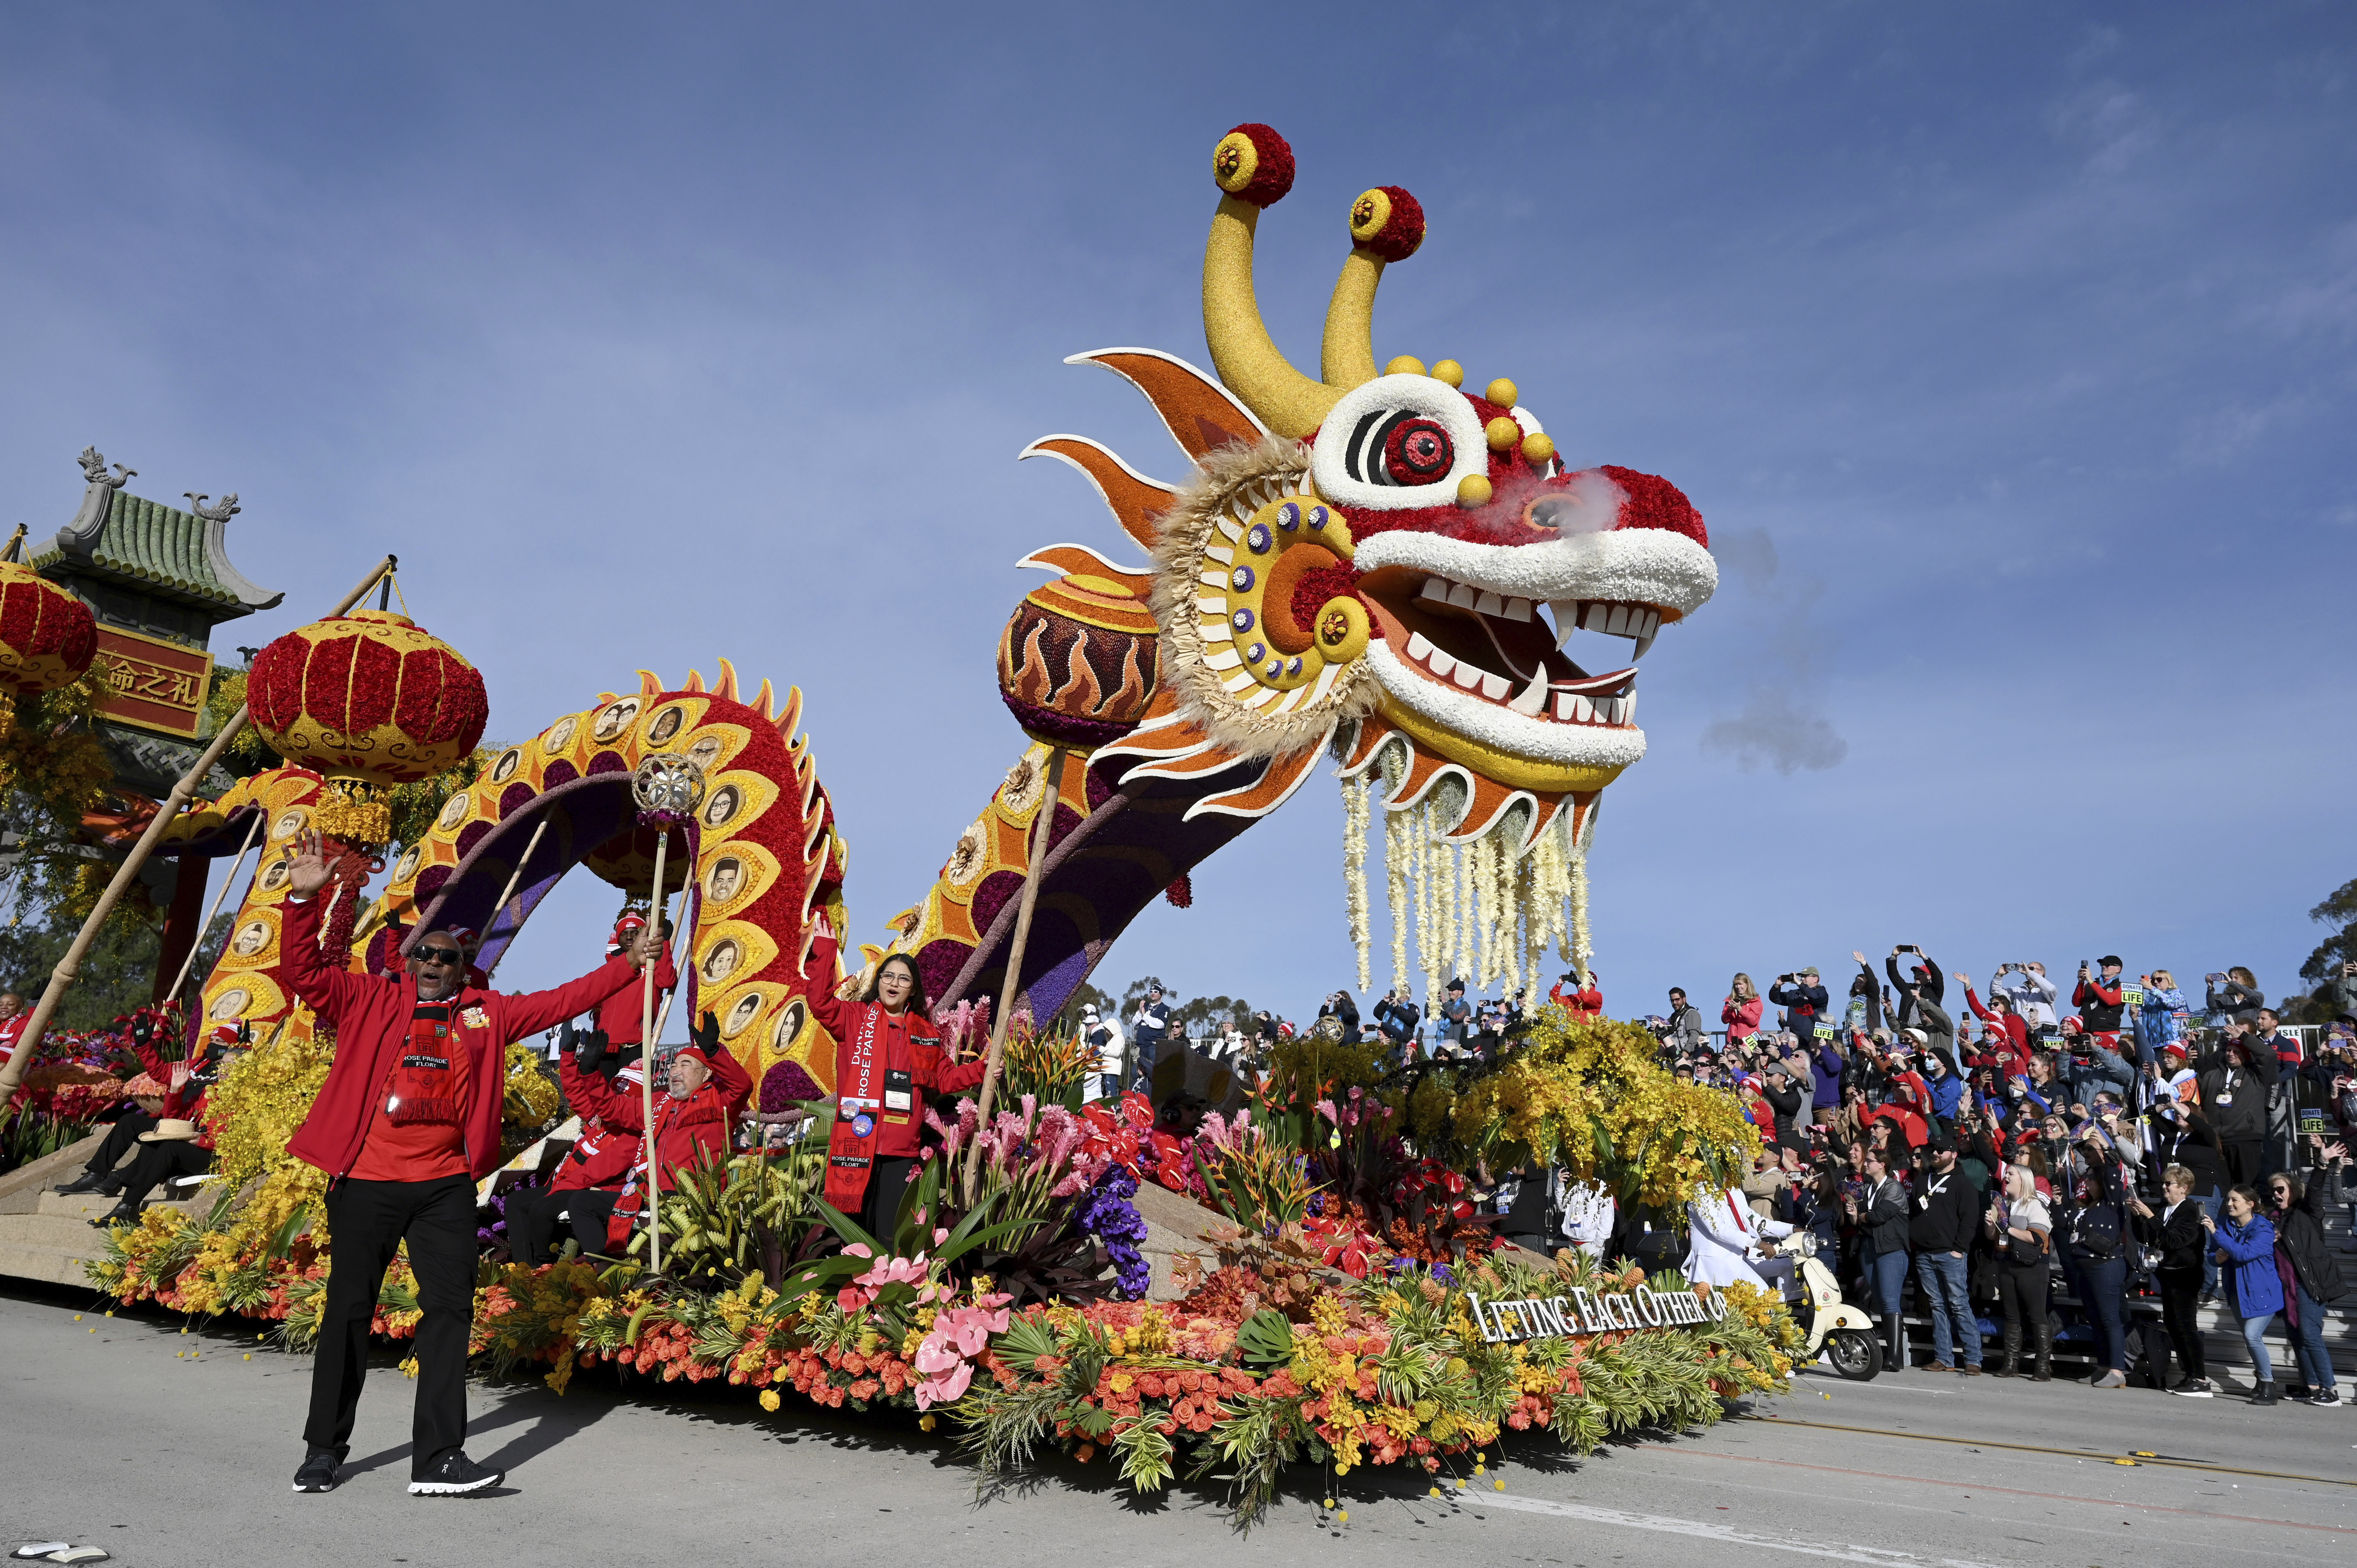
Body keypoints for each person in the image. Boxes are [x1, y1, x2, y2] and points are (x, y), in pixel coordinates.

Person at [278, 830, 656, 1497]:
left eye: (447, 957)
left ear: (464, 969)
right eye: (422, 953)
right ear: (407, 960)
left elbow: (566, 999)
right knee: (347, 1313)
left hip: (442, 1189)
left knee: (450, 1313)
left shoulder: (487, 1015)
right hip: (365, 1183)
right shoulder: (371, 999)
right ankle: (322, 1450)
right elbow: (305, 973)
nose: (433, 963)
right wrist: (302, 898)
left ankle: (439, 1458)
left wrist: (630, 963)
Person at [804, 918, 988, 1236]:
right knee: (849, 1235)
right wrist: (824, 950)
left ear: (912, 989)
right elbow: (819, 1003)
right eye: (887, 975)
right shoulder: (853, 1018)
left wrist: (985, 1069)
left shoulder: (925, 1033)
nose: (893, 982)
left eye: (903, 979)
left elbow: (945, 1078)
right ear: (878, 983)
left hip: (900, 1149)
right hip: (856, 1141)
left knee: (889, 1236)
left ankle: (886, 1286)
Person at [571, 1014, 752, 1252]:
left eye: (685, 1065)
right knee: (581, 1203)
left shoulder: (719, 1099)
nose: (675, 1071)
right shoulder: (657, 1101)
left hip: (688, 1199)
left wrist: (713, 1052)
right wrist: (590, 1072)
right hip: (644, 1195)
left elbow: (743, 1085)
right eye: (674, 1065)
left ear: (706, 1074)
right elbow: (612, 1108)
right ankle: (603, 1273)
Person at [505, 1024, 646, 1264]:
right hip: (568, 1185)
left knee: (541, 1210)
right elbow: (577, 1094)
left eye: (618, 1099)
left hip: (590, 1191)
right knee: (515, 1202)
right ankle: (523, 1267)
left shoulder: (631, 1135)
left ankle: (543, 1267)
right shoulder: (602, 1121)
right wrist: (568, 1057)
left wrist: (558, 1189)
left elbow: (594, 1173)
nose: (610, 1103)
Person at [2258, 1168, 2346, 1404]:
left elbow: (2316, 1190)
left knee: (2310, 1335)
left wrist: (2322, 1164)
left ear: (2294, 1191)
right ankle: (2312, 1386)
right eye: (2273, 1190)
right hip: (2288, 1288)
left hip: (2310, 1285)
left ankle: (2330, 1389)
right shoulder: (2272, 1219)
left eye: (2281, 1189)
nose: (2276, 1194)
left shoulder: (2307, 1212)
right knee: (2296, 1337)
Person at [2056, 1120, 2132, 1389]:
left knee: (2110, 1318)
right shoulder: (2086, 1208)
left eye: (2090, 1177)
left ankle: (2117, 1370)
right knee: (2096, 1318)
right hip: (2086, 1266)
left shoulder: (2112, 1202)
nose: (2086, 1180)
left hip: (2106, 1264)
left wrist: (2105, 1145)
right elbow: (2064, 1222)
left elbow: (2111, 1172)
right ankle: (2102, 1366)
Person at [2128, 1164, 2212, 1395]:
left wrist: (2150, 1216)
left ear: (2184, 1188)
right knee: (2175, 1327)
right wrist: (2139, 1218)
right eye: (2164, 1183)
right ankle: (2190, 1376)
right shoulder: (2167, 1210)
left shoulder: (2189, 1210)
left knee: (2186, 1327)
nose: (2164, 1187)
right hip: (2169, 1274)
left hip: (2185, 1274)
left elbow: (2174, 1241)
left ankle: (2200, 1378)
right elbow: (2149, 1237)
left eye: (2170, 1184)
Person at [1909, 1137, 1983, 1374]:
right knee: (1937, 1306)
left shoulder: (1964, 1184)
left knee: (1959, 1305)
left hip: (1950, 1255)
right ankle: (1944, 1358)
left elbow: (1970, 1220)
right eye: (1933, 1150)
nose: (1936, 1154)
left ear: (1953, 1155)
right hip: (1925, 1254)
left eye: (1941, 1151)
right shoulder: (1923, 1180)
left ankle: (1973, 1358)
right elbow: (1914, 1211)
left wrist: (1958, 1249)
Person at [2206, 1185, 2286, 1404]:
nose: (2230, 1204)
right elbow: (2212, 1255)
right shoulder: (2224, 1223)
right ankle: (2262, 1381)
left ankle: (2269, 1386)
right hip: (2236, 1293)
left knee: (2252, 1336)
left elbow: (2244, 1254)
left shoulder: (2263, 1228)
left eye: (2235, 1200)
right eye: (2229, 1200)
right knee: (2250, 1339)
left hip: (2262, 1293)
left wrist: (2216, 1233)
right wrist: (2217, 1258)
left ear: (2250, 1205)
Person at [1846, 1147, 1912, 1370]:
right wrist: (1855, 1216)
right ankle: (1892, 1354)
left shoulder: (1894, 1188)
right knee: (1882, 1300)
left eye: (1870, 1161)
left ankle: (1895, 1357)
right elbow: (1860, 1220)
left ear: (1882, 1164)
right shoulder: (1868, 1189)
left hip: (1890, 1250)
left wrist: (1861, 1216)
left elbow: (1880, 1216)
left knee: (1890, 1300)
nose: (1866, 1164)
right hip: (1869, 1248)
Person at [1985, 1161, 2052, 1380]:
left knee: (2037, 1315)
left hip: (2032, 1266)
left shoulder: (2034, 1205)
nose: (2006, 1177)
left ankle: (2043, 1367)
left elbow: (2038, 1237)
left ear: (2023, 1180)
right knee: (2011, 1316)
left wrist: (2008, 1228)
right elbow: (1991, 1237)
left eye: (2011, 1174)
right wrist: (1991, 1223)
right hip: (2007, 1262)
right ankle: (2010, 1363)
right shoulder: (2003, 1204)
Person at [2193, 1028, 2277, 1187]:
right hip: (2217, 1140)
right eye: (2229, 1050)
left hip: (2245, 1138)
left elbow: (2269, 1056)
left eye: (2237, 1051)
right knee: (2221, 1188)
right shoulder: (2212, 1074)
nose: (2231, 1054)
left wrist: (2245, 1037)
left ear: (2246, 1055)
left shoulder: (2256, 1074)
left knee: (2246, 1188)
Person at [2073, 956, 2126, 1047]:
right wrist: (2081, 983)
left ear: (2118, 969)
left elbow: (2111, 1000)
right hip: (2086, 1032)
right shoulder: (2091, 985)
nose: (2104, 967)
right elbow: (2076, 1003)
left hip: (2108, 1032)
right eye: (2102, 965)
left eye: (2108, 965)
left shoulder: (2122, 987)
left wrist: (2090, 981)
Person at [1990, 962, 2058, 1033]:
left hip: (2044, 1031)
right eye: (2026, 968)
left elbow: (2050, 990)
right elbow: (1996, 993)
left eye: (2031, 969)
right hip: (2023, 1032)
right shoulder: (2018, 991)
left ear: (2042, 973)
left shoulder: (2046, 991)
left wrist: (2030, 973)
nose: (2027, 970)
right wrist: (1999, 975)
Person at [1766, 968, 1827, 1041]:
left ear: (1816, 979)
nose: (1802, 979)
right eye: (1801, 977)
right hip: (1794, 1039)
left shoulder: (1821, 992)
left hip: (1814, 1040)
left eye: (1805, 977)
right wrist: (1777, 986)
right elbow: (1776, 999)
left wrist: (1799, 984)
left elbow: (1814, 997)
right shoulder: (1795, 994)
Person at [1080, 1004, 1124, 1101]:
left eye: (1108, 1030)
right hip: (1107, 1069)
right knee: (1108, 1093)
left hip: (1112, 1069)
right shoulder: (1112, 1039)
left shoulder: (1118, 1038)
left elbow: (1116, 1053)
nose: (1107, 1032)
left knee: (1111, 1093)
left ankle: (1113, 1110)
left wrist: (1102, 1049)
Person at [1722, 973, 1762, 1048]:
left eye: (1740, 984)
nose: (1738, 987)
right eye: (1736, 984)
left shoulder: (1755, 1001)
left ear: (1747, 985)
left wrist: (1740, 1010)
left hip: (1750, 1040)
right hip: (1734, 1039)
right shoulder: (1730, 1000)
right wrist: (1730, 1010)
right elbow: (1725, 1020)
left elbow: (1754, 1021)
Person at [1663, 988, 1706, 1054]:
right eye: (1672, 1001)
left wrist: (1686, 1052)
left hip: (1689, 1055)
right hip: (1675, 1053)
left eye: (1677, 1000)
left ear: (1684, 999)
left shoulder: (1691, 1013)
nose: (1674, 1003)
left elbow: (1694, 1036)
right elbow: (1664, 1025)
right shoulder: (1674, 1016)